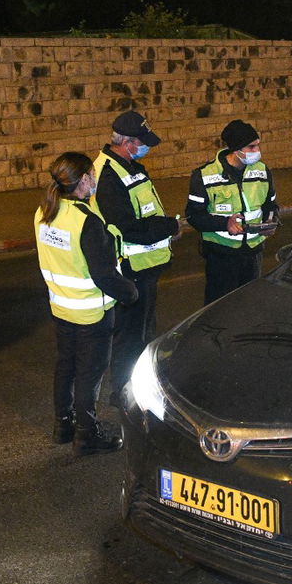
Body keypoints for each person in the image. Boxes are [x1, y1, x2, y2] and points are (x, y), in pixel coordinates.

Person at [34, 152, 137, 456]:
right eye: (92, 175)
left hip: (61, 308)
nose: (95, 180)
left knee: (66, 366)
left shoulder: (43, 212)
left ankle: (63, 425)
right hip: (91, 313)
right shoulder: (86, 222)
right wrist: (130, 292)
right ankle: (86, 435)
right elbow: (103, 275)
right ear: (82, 181)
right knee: (89, 374)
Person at [93, 110, 181, 393]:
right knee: (129, 336)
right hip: (130, 269)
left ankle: (139, 385)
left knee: (143, 331)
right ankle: (123, 392)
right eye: (141, 142)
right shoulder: (108, 176)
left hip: (146, 266)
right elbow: (128, 227)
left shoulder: (130, 166)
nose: (145, 148)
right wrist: (169, 227)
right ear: (127, 141)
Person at [186, 119, 279, 304]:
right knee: (219, 307)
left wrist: (272, 220)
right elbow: (194, 216)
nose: (257, 152)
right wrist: (224, 223)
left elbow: (271, 205)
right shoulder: (204, 175)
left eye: (258, 146)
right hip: (221, 255)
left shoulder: (262, 171)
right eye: (251, 147)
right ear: (236, 150)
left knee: (249, 305)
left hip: (253, 253)